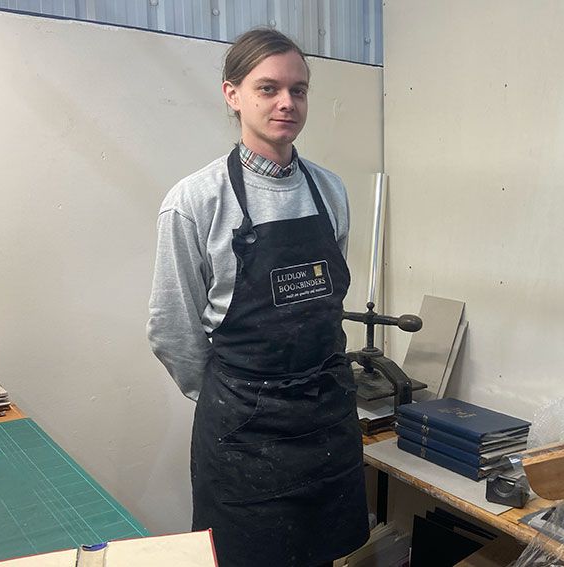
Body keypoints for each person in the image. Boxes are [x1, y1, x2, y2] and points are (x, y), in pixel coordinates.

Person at [147, 28, 369, 567]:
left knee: (324, 556)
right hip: (245, 431)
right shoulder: (195, 201)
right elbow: (172, 329)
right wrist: (234, 396)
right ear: (233, 94)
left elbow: (328, 299)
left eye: (299, 89)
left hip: (325, 420)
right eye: (268, 88)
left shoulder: (330, 189)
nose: (287, 103)